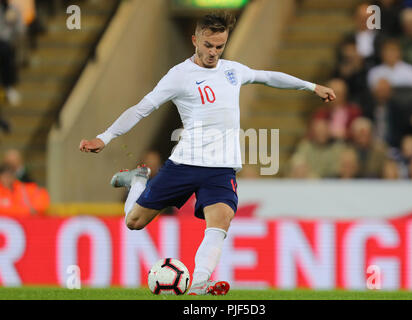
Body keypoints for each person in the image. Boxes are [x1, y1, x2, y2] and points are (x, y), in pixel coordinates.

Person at [78, 12, 336, 296]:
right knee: (134, 222)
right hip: (185, 164)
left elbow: (267, 77)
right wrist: (105, 136)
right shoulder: (179, 76)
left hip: (222, 168)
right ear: (195, 40)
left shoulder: (232, 70)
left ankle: (199, 283)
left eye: (219, 46)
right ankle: (138, 181)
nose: (213, 52)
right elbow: (142, 108)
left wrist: (312, 87)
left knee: (221, 220)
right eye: (208, 45)